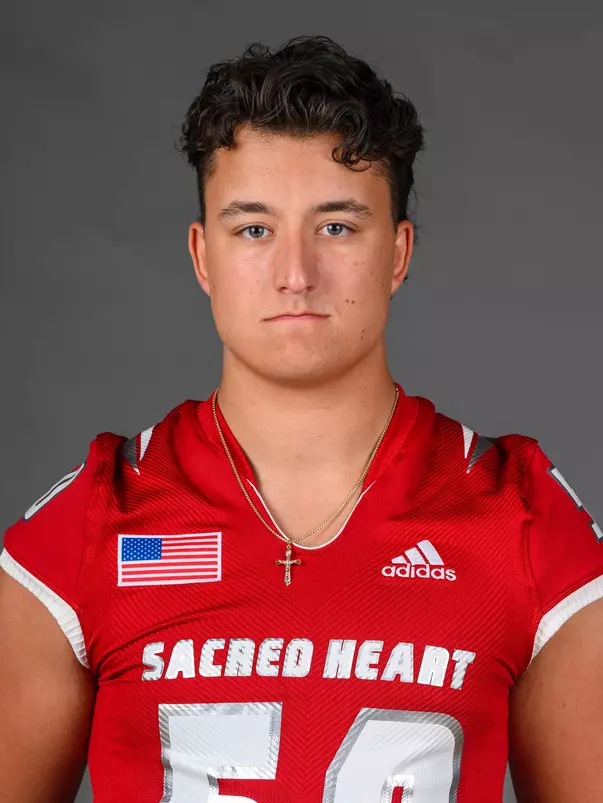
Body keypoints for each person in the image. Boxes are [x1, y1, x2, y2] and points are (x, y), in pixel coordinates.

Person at [1, 33, 602, 803]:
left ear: (398, 251)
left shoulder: (521, 517)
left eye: (337, 227)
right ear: (202, 256)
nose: (295, 273)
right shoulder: (88, 524)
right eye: (253, 228)